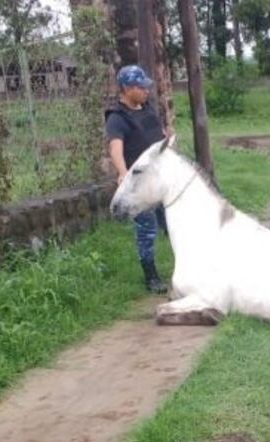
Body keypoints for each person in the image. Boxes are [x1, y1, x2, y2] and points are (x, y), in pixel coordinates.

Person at [105, 65, 169, 294]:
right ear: (126, 89)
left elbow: (160, 135)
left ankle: (188, 267)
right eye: (141, 87)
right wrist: (123, 174)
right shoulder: (117, 118)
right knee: (147, 229)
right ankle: (151, 277)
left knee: (171, 222)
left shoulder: (148, 108)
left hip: (162, 177)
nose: (146, 90)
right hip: (140, 183)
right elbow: (115, 148)